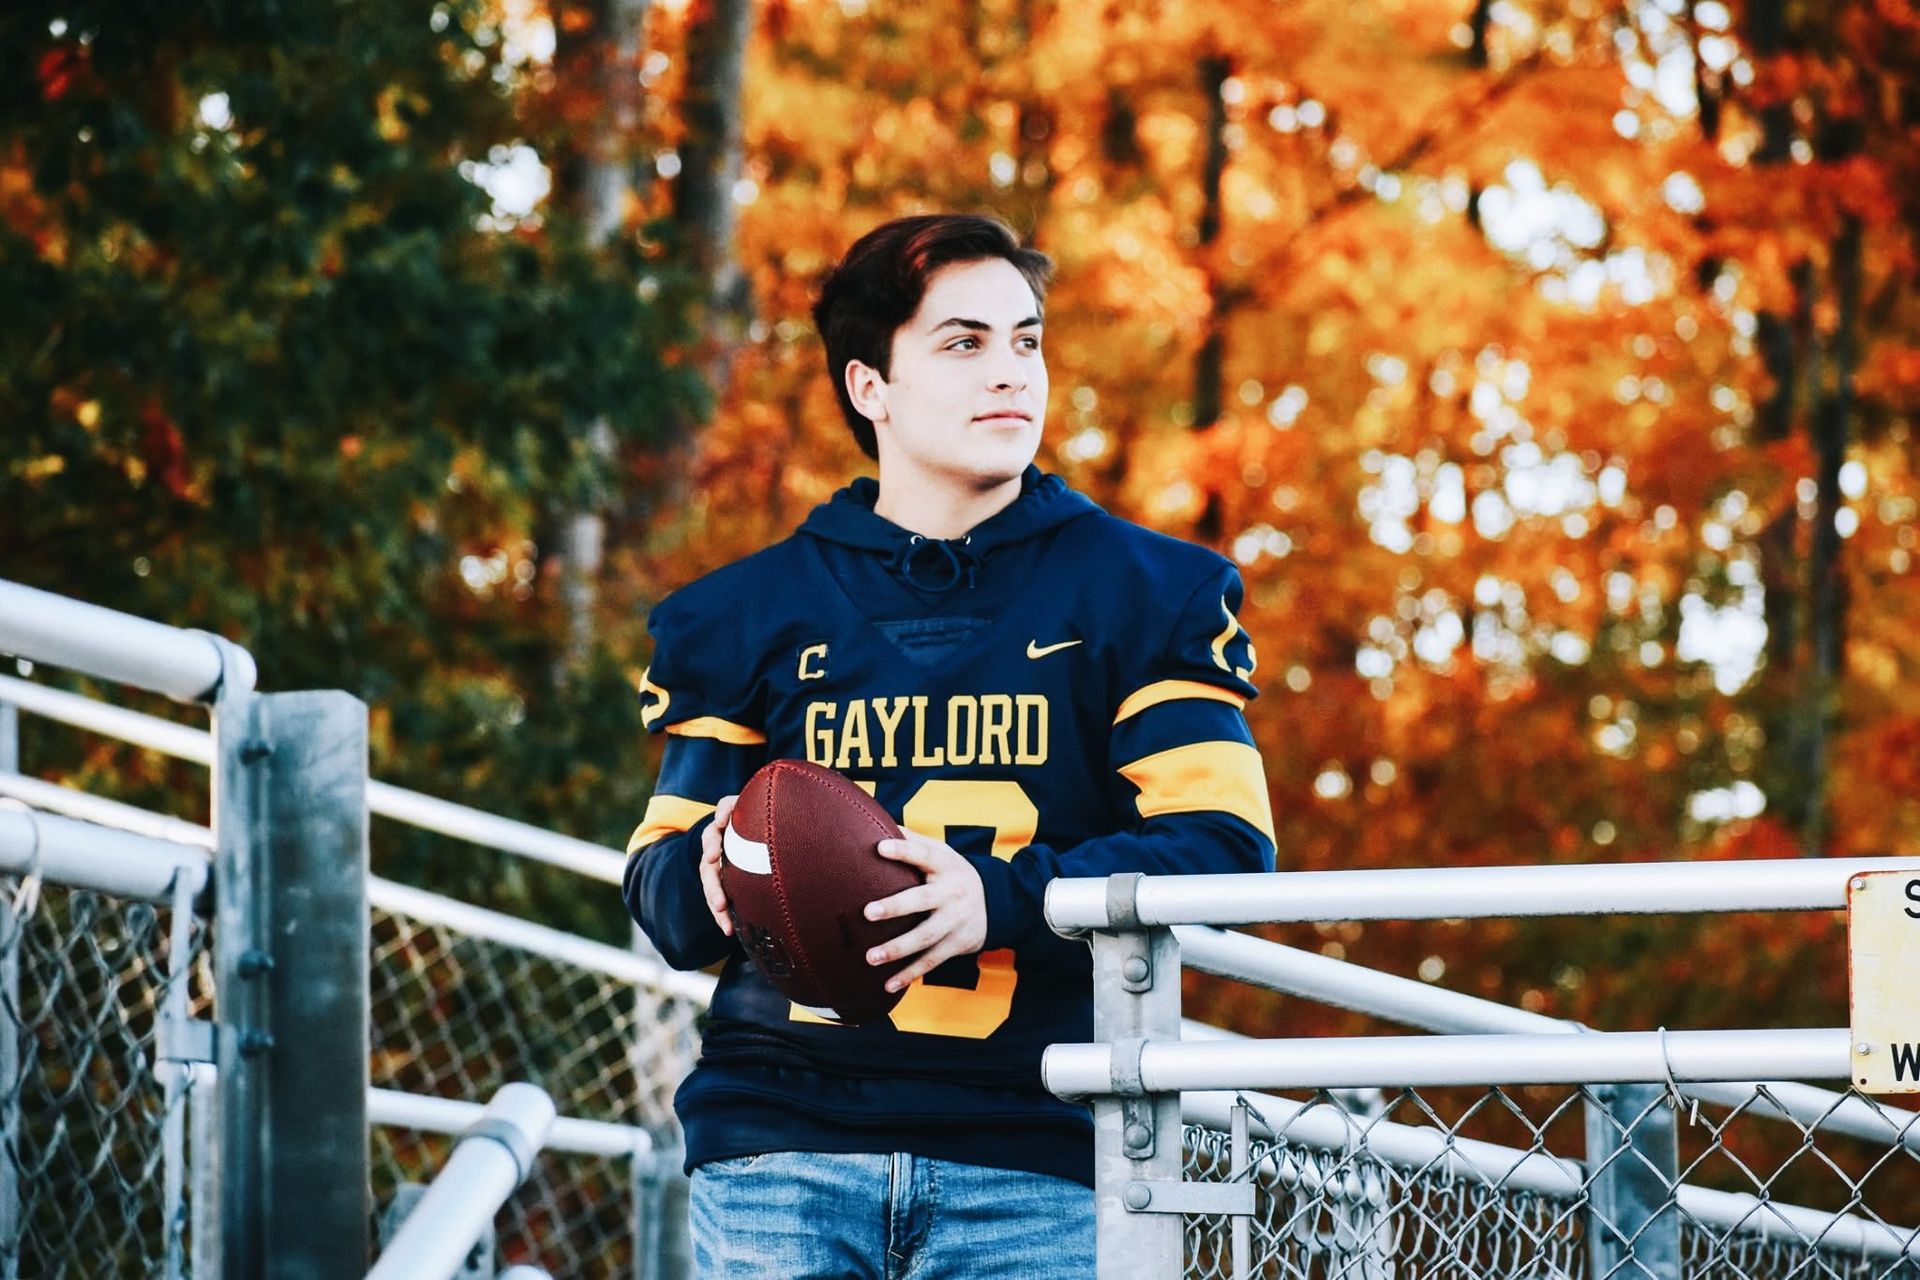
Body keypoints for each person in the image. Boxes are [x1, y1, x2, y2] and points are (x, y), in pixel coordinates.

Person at [623, 212, 1275, 1278]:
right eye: (964, 343)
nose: (1011, 371)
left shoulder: (1146, 591)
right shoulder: (744, 614)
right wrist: (707, 874)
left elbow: (1223, 848)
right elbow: (665, 908)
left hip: (1033, 1148)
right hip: (782, 1135)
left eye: (1026, 340)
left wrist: (1001, 897)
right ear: (869, 386)